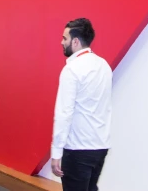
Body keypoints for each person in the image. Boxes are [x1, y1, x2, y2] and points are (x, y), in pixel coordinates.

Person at [50, 18, 112, 191]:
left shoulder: (72, 69)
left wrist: (56, 153)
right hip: (100, 147)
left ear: (75, 41)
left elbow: (64, 113)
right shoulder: (103, 65)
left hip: (78, 150)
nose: (61, 42)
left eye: (65, 38)